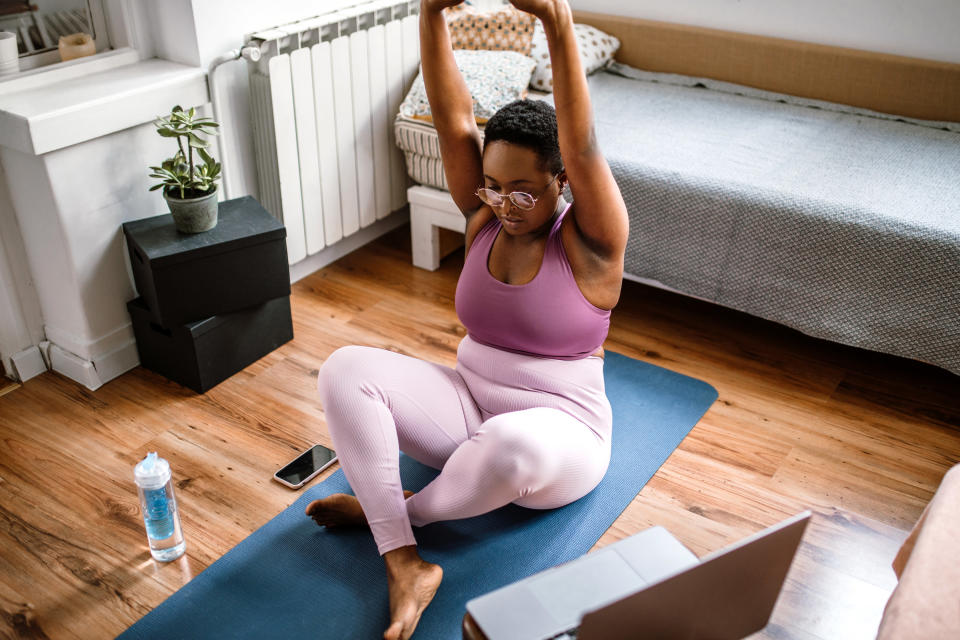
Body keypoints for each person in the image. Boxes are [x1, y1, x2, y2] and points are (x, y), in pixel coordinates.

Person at [307, 0, 628, 638]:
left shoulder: (592, 242)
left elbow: (584, 141)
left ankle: (403, 511)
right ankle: (404, 561)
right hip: (466, 405)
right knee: (345, 368)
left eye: (524, 190)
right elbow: (452, 117)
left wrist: (558, 22)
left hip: (557, 440)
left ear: (562, 182)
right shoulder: (483, 215)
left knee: (509, 447)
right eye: (492, 185)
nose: (504, 204)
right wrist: (429, 13)